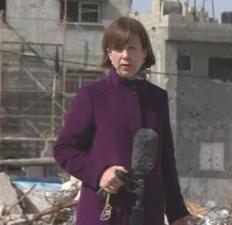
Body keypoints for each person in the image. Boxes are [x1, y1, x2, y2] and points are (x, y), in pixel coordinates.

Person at [53, 16, 192, 225]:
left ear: (145, 52)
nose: (126, 56)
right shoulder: (92, 96)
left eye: (132, 48)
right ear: (109, 53)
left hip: (148, 212)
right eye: (118, 48)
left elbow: (165, 158)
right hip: (104, 212)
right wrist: (100, 172)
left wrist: (177, 212)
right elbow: (64, 149)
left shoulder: (157, 98)